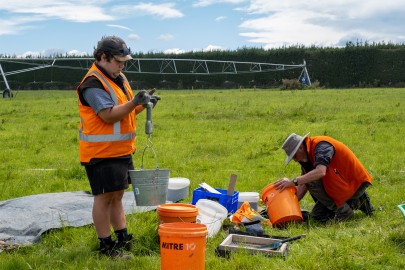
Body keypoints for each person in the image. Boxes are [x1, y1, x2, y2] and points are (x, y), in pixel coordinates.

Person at [76, 36, 160, 259]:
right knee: (104, 198)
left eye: (125, 61)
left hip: (121, 150)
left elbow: (125, 112)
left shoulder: (118, 77)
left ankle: (122, 237)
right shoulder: (92, 83)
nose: (122, 65)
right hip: (101, 154)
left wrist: (142, 104)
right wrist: (134, 103)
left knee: (117, 196)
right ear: (103, 57)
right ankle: (106, 246)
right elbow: (107, 115)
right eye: (119, 60)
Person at [274, 132, 374, 222]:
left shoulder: (321, 146)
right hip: (341, 186)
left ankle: (344, 211)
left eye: (294, 156)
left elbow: (320, 172)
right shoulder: (306, 156)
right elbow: (302, 185)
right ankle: (357, 201)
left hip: (355, 184)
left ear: (300, 147)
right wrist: (285, 206)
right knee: (316, 218)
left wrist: (294, 181)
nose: (295, 160)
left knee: (311, 180)